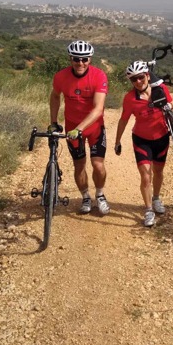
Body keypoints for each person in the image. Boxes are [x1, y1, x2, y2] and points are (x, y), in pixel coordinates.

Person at [49, 40, 110, 215]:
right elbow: (55, 96)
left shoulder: (99, 76)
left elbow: (98, 109)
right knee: (79, 165)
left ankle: (100, 195)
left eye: (84, 59)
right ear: (70, 59)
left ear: (90, 59)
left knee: (98, 165)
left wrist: (80, 128)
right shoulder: (61, 77)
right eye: (76, 59)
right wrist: (53, 121)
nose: (80, 63)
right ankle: (85, 197)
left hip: (94, 128)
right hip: (71, 129)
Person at [113, 61, 173, 227]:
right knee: (146, 176)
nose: (138, 81)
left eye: (140, 77)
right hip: (141, 139)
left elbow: (171, 102)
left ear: (147, 76)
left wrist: (169, 105)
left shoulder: (160, 90)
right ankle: (148, 210)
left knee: (158, 172)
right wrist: (117, 141)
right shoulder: (130, 98)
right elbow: (123, 120)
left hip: (162, 137)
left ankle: (156, 199)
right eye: (134, 79)